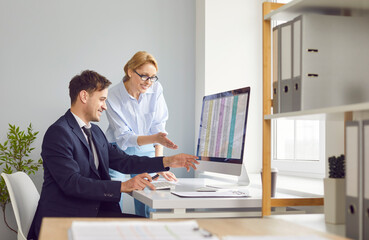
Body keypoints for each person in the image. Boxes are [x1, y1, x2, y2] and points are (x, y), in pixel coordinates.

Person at [27, 70, 198, 240]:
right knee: (150, 231)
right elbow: (72, 183)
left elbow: (124, 161)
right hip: (65, 221)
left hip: (94, 214)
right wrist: (123, 186)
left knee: (153, 227)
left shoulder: (95, 131)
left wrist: (167, 161)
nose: (105, 106)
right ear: (84, 96)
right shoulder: (59, 133)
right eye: (102, 99)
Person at [105, 51, 178, 217]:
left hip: (146, 149)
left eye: (153, 77)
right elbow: (124, 137)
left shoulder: (156, 89)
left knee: (148, 198)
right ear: (130, 71)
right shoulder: (113, 96)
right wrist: (155, 138)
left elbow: (159, 127)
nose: (149, 82)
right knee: (113, 197)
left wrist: (158, 163)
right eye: (145, 76)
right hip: (118, 150)